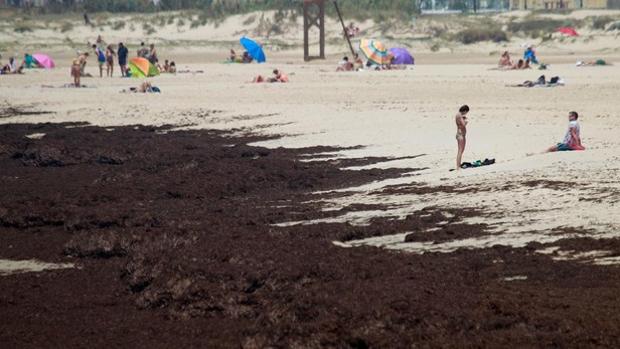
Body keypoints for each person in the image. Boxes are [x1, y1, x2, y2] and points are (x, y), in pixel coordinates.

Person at [455, 105, 470, 170]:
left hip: (461, 134)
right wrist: (466, 121)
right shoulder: (459, 115)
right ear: (465, 110)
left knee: (461, 150)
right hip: (460, 135)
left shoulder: (458, 115)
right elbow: (463, 124)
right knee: (460, 151)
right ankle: (458, 166)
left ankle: (459, 165)